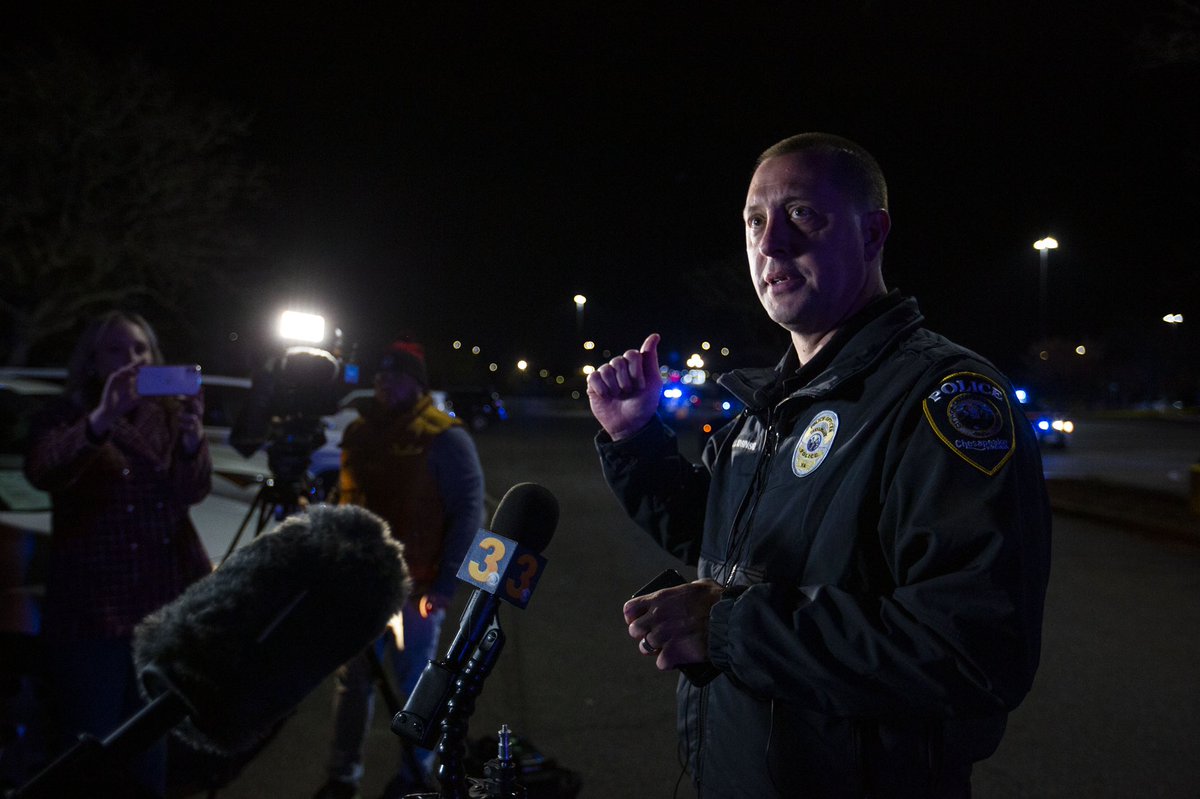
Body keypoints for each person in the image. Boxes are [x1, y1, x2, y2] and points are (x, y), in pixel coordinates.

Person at [587, 133, 1051, 798]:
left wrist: (726, 627)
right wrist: (637, 440)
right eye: (754, 221)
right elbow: (720, 542)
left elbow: (972, 649)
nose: (770, 243)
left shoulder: (940, 399)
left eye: (802, 214)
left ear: (872, 233)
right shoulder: (767, 407)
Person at [24, 310, 213, 797]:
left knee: (149, 748)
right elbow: (46, 470)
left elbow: (189, 493)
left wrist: (193, 441)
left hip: (158, 607)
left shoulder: (169, 417)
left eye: (140, 350)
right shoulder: (64, 417)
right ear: (90, 362)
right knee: (89, 745)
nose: (130, 360)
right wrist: (101, 417)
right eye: (115, 350)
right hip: (91, 610)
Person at [315, 341, 485, 799]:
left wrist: (448, 583)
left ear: (417, 382)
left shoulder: (444, 436)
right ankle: (341, 775)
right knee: (353, 687)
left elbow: (469, 513)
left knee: (417, 689)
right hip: (363, 592)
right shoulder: (360, 433)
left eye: (396, 376)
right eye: (380, 376)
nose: (384, 383)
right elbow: (345, 502)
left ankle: (415, 774)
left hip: (418, 591)